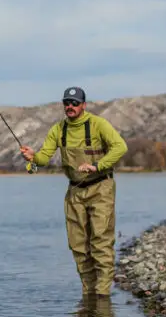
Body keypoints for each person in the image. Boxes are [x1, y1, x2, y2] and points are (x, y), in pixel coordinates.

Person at [21, 86, 128, 297]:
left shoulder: (98, 124)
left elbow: (120, 147)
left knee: (100, 241)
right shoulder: (58, 129)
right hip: (75, 191)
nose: (70, 107)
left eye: (75, 103)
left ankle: (103, 295)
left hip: (101, 187)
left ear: (84, 105)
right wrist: (33, 157)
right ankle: (89, 293)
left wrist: (97, 165)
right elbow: (44, 158)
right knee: (78, 244)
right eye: (67, 103)